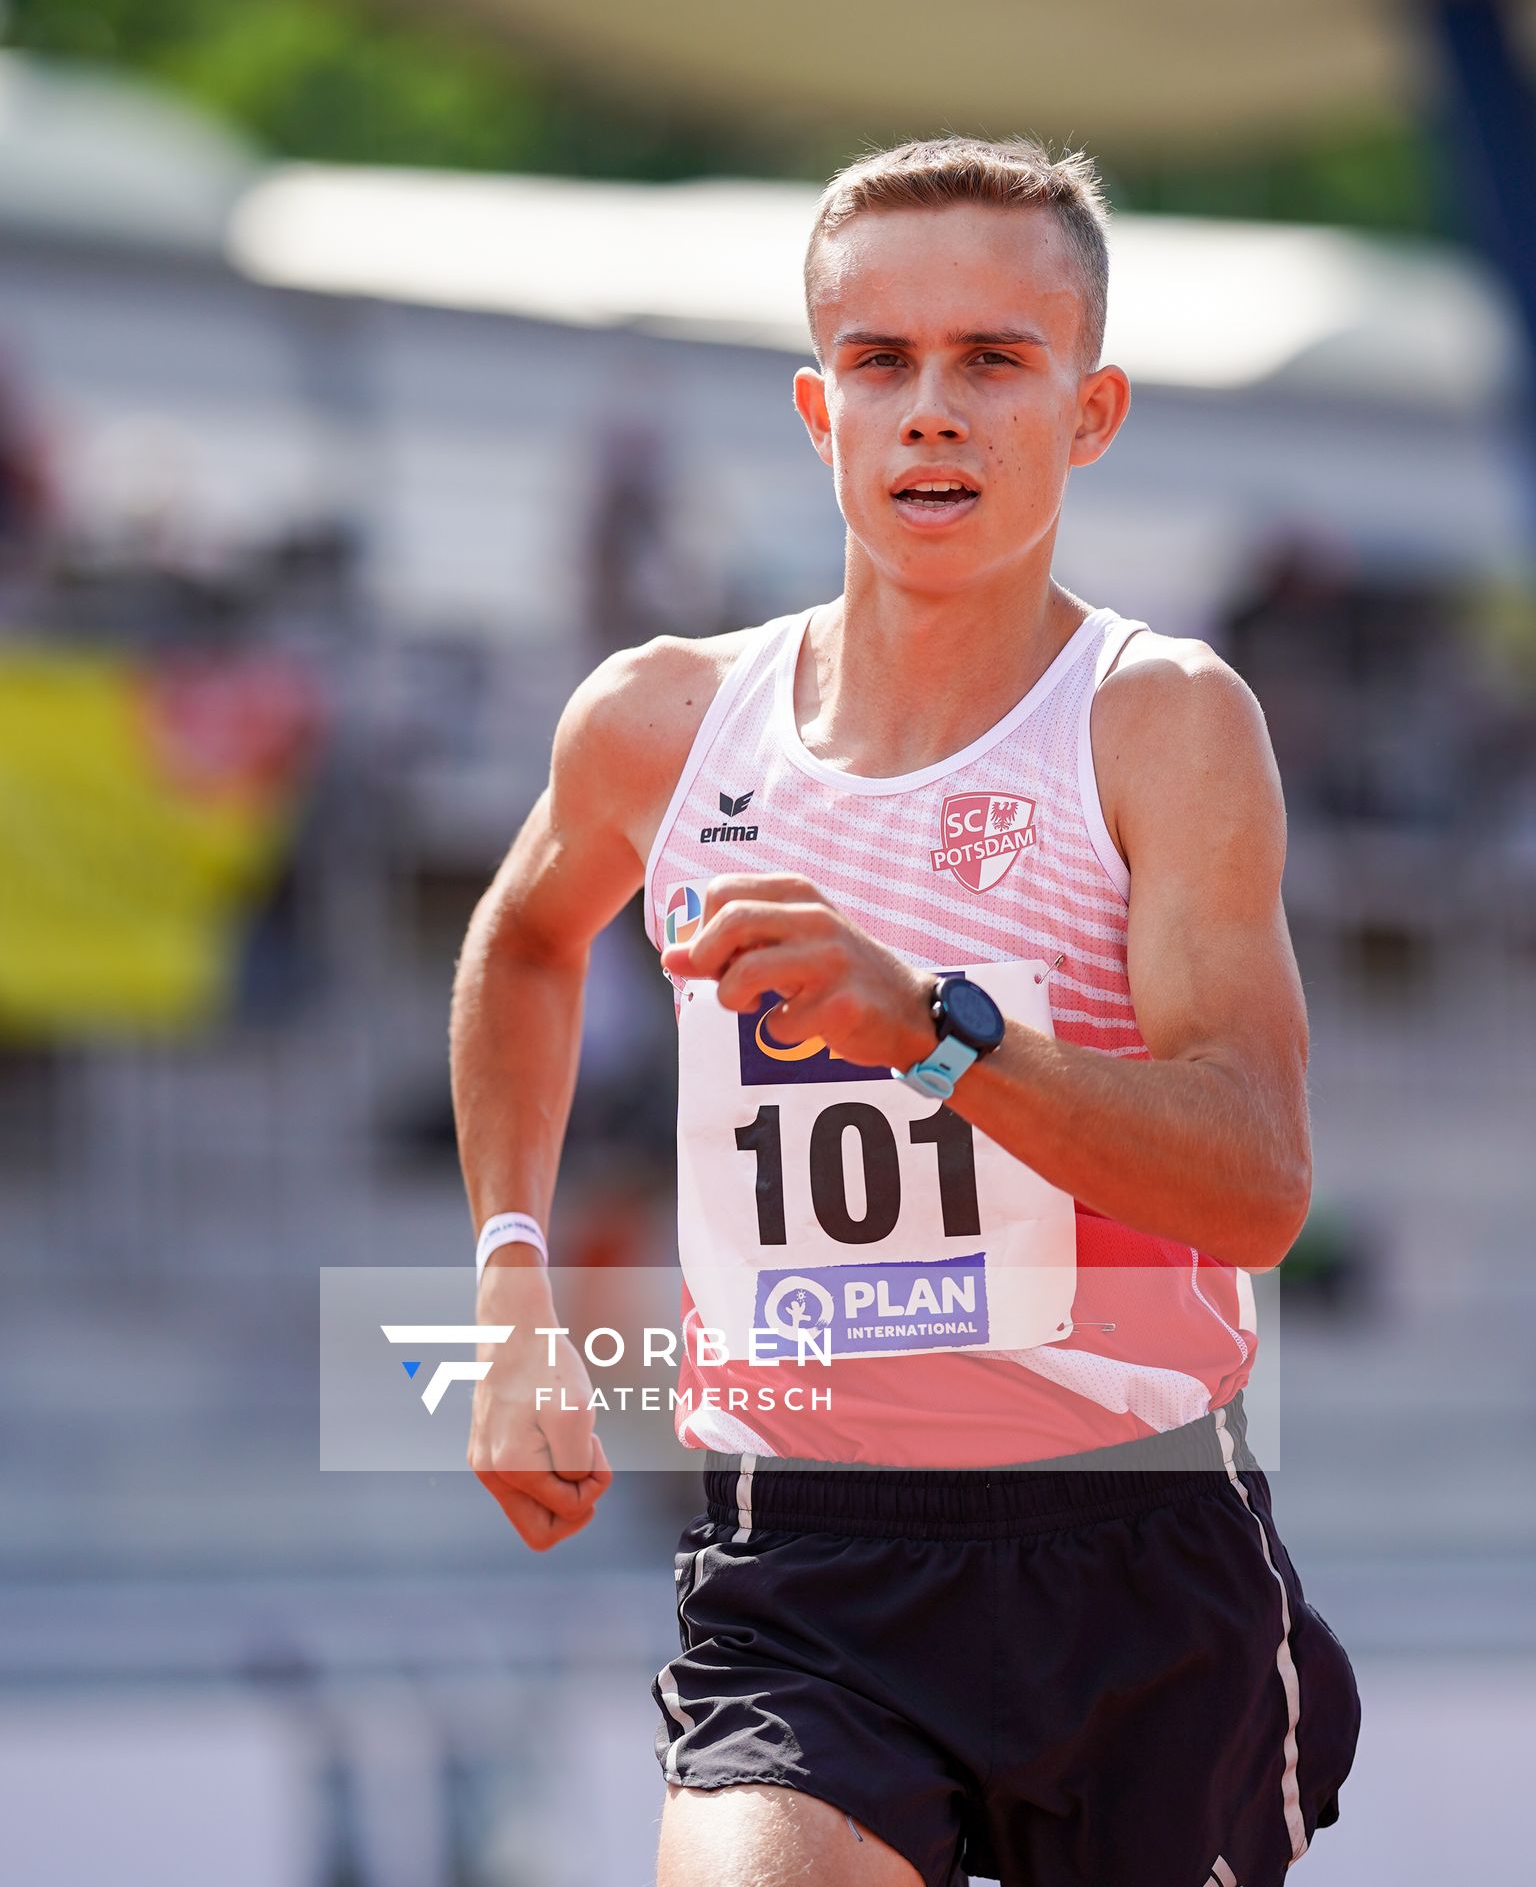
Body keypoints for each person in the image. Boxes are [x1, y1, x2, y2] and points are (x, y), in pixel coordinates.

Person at [450, 135, 1361, 1887]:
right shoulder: (661, 723)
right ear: (819, 411)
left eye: (991, 363)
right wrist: (509, 1281)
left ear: (1089, 413)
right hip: (807, 1555)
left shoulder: (1159, 722)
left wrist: (939, 1033)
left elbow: (1256, 1181)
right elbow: (527, 938)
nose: (930, 413)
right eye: (883, 363)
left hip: (1135, 1544)